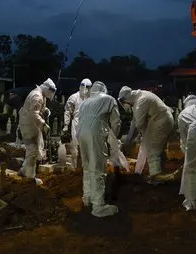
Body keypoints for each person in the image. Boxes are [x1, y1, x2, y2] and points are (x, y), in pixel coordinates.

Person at [77, 81, 121, 217]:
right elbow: (116, 122)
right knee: (97, 167)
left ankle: (87, 198)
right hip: (94, 133)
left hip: (80, 133)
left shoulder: (85, 102)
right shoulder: (108, 99)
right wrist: (115, 138)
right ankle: (98, 206)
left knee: (87, 166)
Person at [118, 86, 174, 179]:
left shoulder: (141, 101)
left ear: (126, 98)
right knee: (159, 149)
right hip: (163, 119)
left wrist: (129, 142)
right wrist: (129, 140)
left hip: (161, 121)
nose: (124, 105)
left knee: (153, 150)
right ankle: (160, 172)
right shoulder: (138, 99)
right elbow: (134, 122)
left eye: (123, 102)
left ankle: (155, 177)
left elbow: (138, 125)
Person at [18, 78, 56, 184]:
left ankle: (23, 170)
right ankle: (30, 178)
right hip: (29, 125)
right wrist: (43, 124)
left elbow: (37, 109)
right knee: (33, 152)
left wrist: (45, 110)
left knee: (30, 150)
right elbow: (33, 114)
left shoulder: (39, 94)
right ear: (48, 90)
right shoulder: (37, 96)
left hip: (29, 124)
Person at [63, 78, 92, 169]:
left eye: (88, 87)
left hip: (89, 125)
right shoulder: (74, 97)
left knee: (87, 149)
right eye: (84, 86)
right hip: (76, 124)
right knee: (75, 150)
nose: (85, 88)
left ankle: (86, 169)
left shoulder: (92, 98)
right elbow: (68, 111)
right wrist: (66, 125)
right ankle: (76, 169)